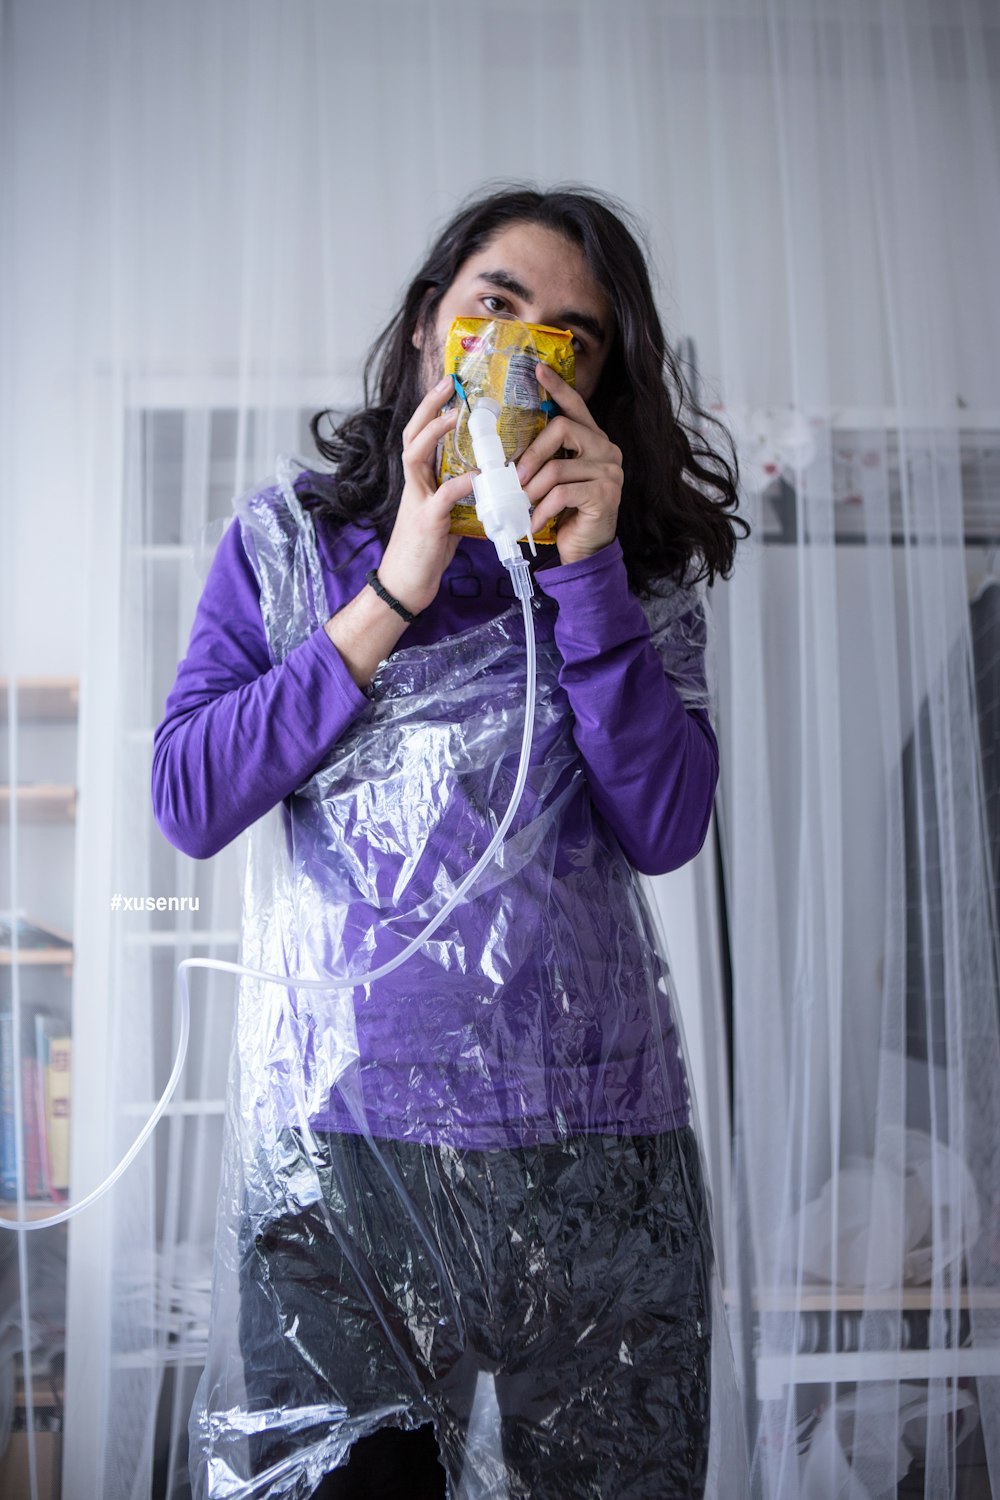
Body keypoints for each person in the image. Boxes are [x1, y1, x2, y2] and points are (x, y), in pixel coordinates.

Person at [153, 184, 747, 1500]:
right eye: (499, 308)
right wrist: (396, 585)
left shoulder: (637, 569)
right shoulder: (288, 544)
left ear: (601, 379)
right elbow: (190, 796)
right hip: (346, 1164)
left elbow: (663, 826)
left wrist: (585, 572)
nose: (534, 351)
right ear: (432, 326)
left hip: (599, 1163)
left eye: (575, 337)